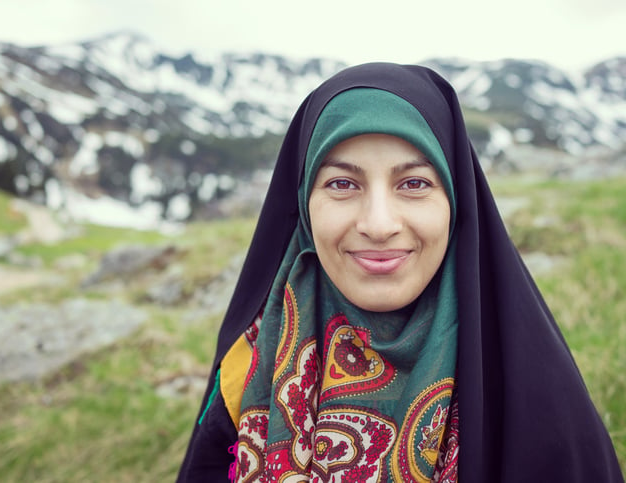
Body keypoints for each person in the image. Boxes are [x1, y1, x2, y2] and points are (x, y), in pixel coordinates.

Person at [177, 63, 623, 482]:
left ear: (455, 201)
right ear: (303, 205)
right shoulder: (249, 363)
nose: (378, 224)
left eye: (414, 184)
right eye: (342, 184)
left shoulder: (534, 388)